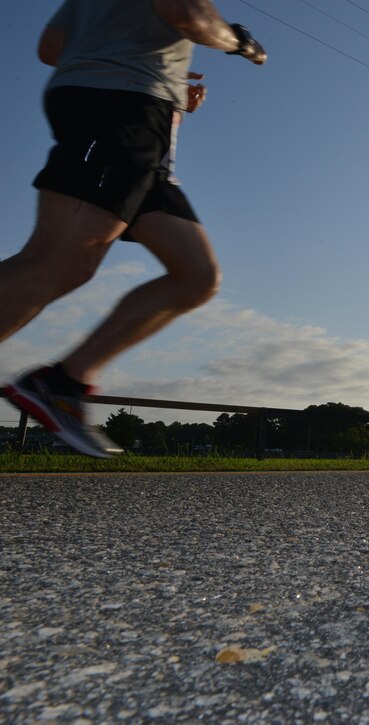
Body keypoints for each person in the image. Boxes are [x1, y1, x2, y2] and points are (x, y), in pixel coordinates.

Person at [1, 0, 267, 457]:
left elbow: (51, 48)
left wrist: (160, 81)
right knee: (58, 262)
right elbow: (189, 15)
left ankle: (60, 383)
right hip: (119, 111)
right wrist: (240, 42)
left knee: (195, 276)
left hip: (139, 120)